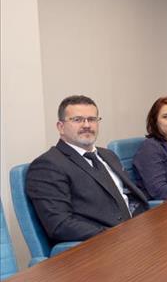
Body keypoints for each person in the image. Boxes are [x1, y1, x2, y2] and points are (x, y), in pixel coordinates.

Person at [26, 95, 149, 243]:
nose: (87, 125)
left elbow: (130, 197)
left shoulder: (108, 155)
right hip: (102, 245)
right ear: (61, 127)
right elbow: (60, 225)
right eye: (77, 120)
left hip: (136, 233)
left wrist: (143, 226)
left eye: (92, 119)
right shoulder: (48, 165)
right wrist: (116, 236)